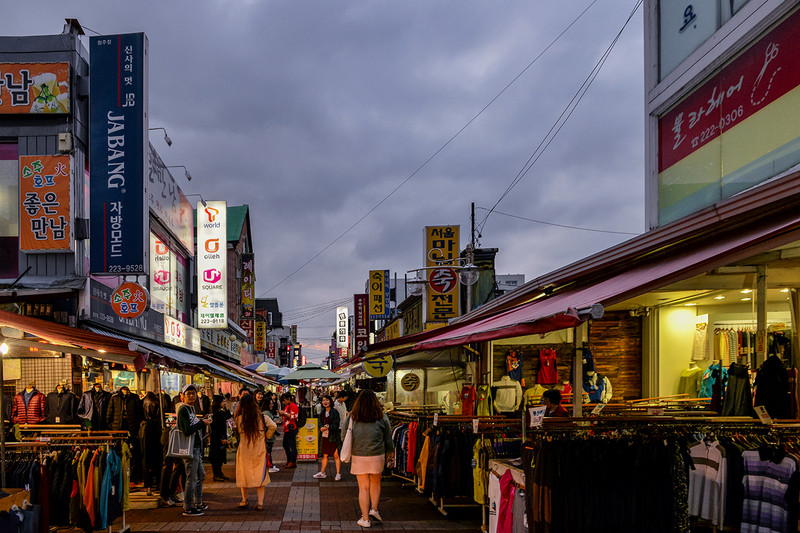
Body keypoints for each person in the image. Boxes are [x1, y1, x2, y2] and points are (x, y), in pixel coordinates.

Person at [344, 389, 394, 528]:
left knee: (363, 487)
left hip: (359, 455)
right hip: (377, 455)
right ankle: (375, 510)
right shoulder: (382, 417)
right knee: (376, 483)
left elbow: (344, 435)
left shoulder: (352, 417)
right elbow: (388, 438)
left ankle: (365, 519)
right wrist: (390, 452)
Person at [233, 394, 277, 510]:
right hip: (259, 449)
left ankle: (244, 499)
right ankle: (260, 503)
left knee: (244, 474)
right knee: (259, 475)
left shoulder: (238, 419)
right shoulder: (262, 417)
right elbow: (273, 426)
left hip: (244, 450)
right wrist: (266, 436)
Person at [177, 384, 212, 517]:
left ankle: (198, 502)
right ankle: (188, 507)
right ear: (183, 396)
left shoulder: (191, 409)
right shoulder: (183, 410)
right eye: (188, 394)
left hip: (196, 448)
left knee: (201, 476)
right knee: (191, 479)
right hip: (189, 449)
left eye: (193, 393)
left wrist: (203, 421)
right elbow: (186, 430)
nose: (191, 396)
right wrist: (202, 423)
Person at [313, 395, 342, 481]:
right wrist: (321, 427)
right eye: (323, 400)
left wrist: (329, 427)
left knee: (336, 455)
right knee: (324, 455)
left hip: (333, 436)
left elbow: (336, 425)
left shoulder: (334, 412)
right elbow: (319, 422)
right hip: (324, 437)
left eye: (326, 400)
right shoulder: (322, 412)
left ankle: (338, 474)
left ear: (330, 401)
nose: (325, 402)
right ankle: (322, 473)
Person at [209, 395, 232, 481]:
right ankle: (216, 474)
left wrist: (226, 408)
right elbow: (215, 428)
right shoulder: (215, 414)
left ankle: (220, 473)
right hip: (217, 439)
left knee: (220, 456)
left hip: (221, 437)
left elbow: (228, 416)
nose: (225, 403)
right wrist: (221, 438)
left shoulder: (220, 412)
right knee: (216, 457)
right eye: (223, 401)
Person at [278, 392, 299, 468]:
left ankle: (292, 461)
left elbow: (293, 416)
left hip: (291, 428)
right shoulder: (287, 406)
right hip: (287, 428)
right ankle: (289, 460)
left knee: (292, 445)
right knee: (285, 444)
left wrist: (284, 413)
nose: (283, 402)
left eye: (284, 400)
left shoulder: (293, 406)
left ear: (288, 399)